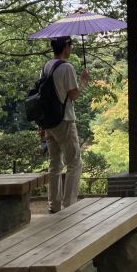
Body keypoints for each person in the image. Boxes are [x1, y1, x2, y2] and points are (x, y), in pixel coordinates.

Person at [44, 35, 89, 213]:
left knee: (55, 164)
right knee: (74, 162)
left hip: (49, 121)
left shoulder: (47, 66)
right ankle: (69, 206)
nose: (71, 49)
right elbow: (73, 95)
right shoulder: (67, 67)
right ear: (65, 47)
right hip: (64, 120)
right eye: (70, 45)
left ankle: (54, 206)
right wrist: (83, 80)